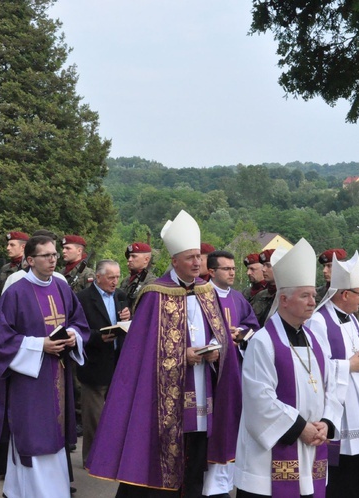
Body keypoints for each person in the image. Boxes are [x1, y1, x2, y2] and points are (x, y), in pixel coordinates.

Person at [88, 210, 241, 498]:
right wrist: (182, 355)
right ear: (174, 261)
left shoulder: (208, 293)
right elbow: (141, 353)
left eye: (199, 256)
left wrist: (217, 353)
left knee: (196, 462)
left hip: (203, 391)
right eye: (190, 257)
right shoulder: (155, 293)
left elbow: (222, 337)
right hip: (165, 398)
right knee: (159, 465)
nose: (197, 262)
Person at [234, 238, 342, 498]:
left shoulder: (314, 339)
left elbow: (332, 386)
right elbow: (259, 398)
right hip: (271, 457)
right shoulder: (263, 341)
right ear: (283, 299)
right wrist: (299, 428)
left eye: (313, 296)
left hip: (311, 447)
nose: (311, 302)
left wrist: (326, 422)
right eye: (304, 296)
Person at [0, 235, 90, 498]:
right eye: (46, 255)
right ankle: (27, 491)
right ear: (30, 260)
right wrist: (38, 346)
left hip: (57, 374)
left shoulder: (62, 287)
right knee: (32, 433)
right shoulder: (16, 292)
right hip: (29, 380)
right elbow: (0, 341)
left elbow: (79, 322)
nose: (53, 259)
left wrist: (73, 336)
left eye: (55, 254)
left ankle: (55, 491)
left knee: (55, 432)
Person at [305, 251, 359, 498]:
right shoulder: (319, 322)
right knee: (343, 476)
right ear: (345, 294)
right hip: (339, 414)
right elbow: (313, 368)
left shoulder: (353, 320)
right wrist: (348, 366)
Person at [203, 250, 259, 497]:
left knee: (232, 425)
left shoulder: (238, 299)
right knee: (214, 428)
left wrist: (241, 335)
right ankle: (207, 485)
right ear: (211, 272)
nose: (232, 272)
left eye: (233, 268)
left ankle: (225, 485)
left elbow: (253, 326)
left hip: (235, 371)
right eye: (226, 269)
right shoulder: (201, 297)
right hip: (211, 374)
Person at [75, 259, 129, 467]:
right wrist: (97, 337)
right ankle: (92, 459)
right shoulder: (83, 299)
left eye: (117, 277)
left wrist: (127, 317)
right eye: (111, 277)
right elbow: (77, 331)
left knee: (115, 415)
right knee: (94, 418)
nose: (115, 282)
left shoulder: (121, 296)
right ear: (98, 277)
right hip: (94, 365)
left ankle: (113, 456)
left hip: (117, 363)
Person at [118, 242, 156, 311]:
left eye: (134, 256)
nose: (129, 259)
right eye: (129, 256)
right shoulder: (127, 279)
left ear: (146, 259)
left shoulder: (152, 283)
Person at [0, 231, 29, 295]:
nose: (8, 248)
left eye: (12, 245)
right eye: (8, 245)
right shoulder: (5, 268)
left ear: (23, 247)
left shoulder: (30, 267)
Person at [251, 249, 278, 326]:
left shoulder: (291, 296)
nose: (263, 269)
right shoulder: (260, 295)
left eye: (268, 265)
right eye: (263, 265)